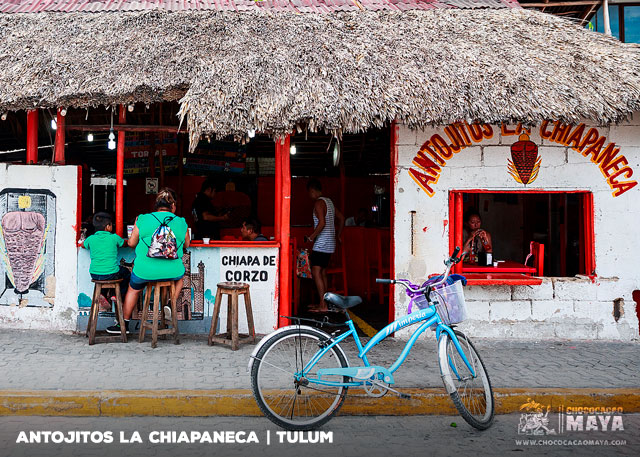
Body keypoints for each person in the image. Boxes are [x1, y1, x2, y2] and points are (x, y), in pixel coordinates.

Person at [107, 188, 189, 334]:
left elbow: (131, 243)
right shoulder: (181, 222)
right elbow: (187, 245)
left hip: (145, 271)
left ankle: (123, 325)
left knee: (134, 289)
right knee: (181, 278)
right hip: (173, 271)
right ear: (173, 206)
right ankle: (170, 303)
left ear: (155, 205)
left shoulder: (143, 219)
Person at [306, 179, 344, 313]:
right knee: (323, 272)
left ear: (312, 191)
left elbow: (321, 223)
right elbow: (342, 218)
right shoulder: (329, 202)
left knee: (316, 272)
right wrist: (337, 235)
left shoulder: (318, 203)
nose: (309, 196)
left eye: (309, 193)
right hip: (330, 244)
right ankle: (324, 303)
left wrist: (311, 237)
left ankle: (323, 305)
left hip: (321, 244)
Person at [81, 212, 130, 310]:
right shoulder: (114, 237)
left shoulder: (91, 238)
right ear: (108, 226)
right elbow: (125, 244)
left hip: (94, 274)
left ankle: (103, 295)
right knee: (126, 273)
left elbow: (83, 245)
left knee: (104, 276)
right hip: (111, 274)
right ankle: (117, 295)